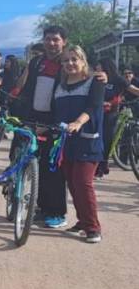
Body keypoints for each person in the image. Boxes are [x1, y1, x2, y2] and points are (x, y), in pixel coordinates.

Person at [10, 26, 106, 228]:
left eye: (55, 39)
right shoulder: (36, 62)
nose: (51, 43)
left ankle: (56, 212)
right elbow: (28, 88)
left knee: (52, 168)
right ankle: (39, 207)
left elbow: (86, 75)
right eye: (47, 39)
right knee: (28, 161)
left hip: (56, 121)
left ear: (64, 41)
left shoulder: (68, 62)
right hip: (33, 118)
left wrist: (105, 77)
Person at [54, 45, 105, 243]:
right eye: (66, 60)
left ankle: (93, 227)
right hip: (66, 142)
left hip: (87, 140)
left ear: (83, 61)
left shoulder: (95, 81)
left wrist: (78, 122)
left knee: (83, 183)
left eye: (74, 59)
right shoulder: (60, 85)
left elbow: (94, 106)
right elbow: (55, 111)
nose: (70, 63)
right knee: (73, 184)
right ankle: (83, 221)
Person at [93, 57, 139, 177]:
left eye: (98, 65)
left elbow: (133, 90)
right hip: (96, 112)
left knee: (106, 140)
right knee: (95, 138)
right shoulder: (96, 77)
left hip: (110, 114)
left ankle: (102, 165)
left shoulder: (118, 79)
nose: (96, 67)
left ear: (105, 66)